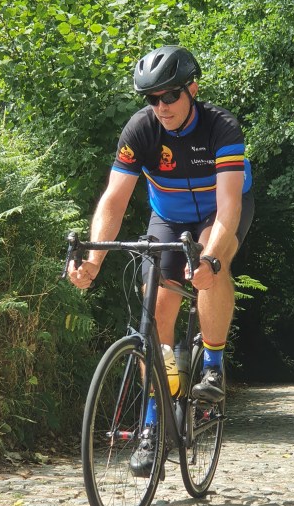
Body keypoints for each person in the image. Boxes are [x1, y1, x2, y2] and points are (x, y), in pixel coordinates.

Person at [68, 45, 254, 474]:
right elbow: (114, 200)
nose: (161, 106)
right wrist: (93, 260)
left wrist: (210, 259)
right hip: (168, 216)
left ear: (192, 89)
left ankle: (212, 365)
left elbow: (229, 207)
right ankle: (154, 423)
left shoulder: (221, 127)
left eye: (169, 95)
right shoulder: (141, 130)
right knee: (156, 308)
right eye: (151, 98)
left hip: (219, 212)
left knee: (211, 266)